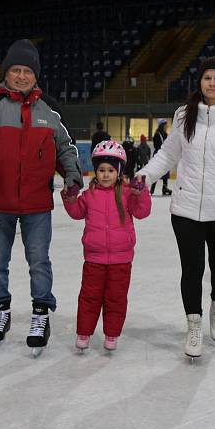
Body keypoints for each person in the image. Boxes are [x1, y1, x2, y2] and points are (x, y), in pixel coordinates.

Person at [0, 38, 83, 355]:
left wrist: (73, 177)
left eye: (27, 70)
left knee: (39, 262)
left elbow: (67, 149)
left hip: (37, 205)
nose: (22, 76)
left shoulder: (50, 109)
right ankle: (1, 311)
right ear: (7, 73)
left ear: (36, 74)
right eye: (16, 70)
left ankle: (40, 315)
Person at [135, 56, 215, 359]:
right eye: (207, 78)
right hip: (186, 208)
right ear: (199, 81)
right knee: (191, 269)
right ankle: (194, 323)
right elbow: (168, 154)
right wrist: (145, 175)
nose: (212, 83)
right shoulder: (183, 114)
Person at [62, 140, 151, 352]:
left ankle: (111, 334)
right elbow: (76, 213)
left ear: (119, 171)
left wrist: (141, 193)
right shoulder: (89, 195)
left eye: (111, 170)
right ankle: (84, 332)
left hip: (121, 260)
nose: (105, 175)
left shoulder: (127, 192)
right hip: (94, 259)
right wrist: (70, 197)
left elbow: (142, 212)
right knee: (89, 298)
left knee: (116, 299)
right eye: (101, 170)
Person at [149, 119, 172, 196]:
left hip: (164, 154)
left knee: (165, 172)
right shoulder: (157, 135)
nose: (167, 126)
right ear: (162, 125)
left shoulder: (165, 134)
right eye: (166, 125)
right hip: (159, 154)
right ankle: (152, 189)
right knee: (157, 172)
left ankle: (164, 188)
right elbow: (156, 146)